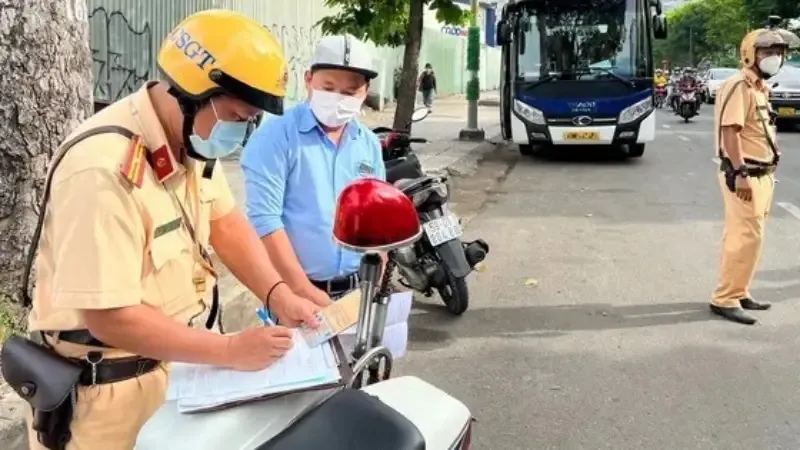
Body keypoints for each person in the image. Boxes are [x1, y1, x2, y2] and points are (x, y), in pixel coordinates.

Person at [19, 10, 321, 449]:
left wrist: (278, 293)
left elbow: (226, 223)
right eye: (238, 116)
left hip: (177, 373)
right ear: (194, 93)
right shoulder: (101, 171)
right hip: (105, 401)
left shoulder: (188, 143)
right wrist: (233, 351)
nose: (242, 132)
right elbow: (109, 317)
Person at [241, 34, 386, 307]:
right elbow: (266, 220)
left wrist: (377, 276)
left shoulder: (367, 143)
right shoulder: (276, 136)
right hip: (299, 297)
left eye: (349, 92)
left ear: (365, 92)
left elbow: (376, 214)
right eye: (328, 87)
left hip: (360, 290)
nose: (337, 99)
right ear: (308, 80)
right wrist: (303, 291)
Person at [710, 26, 794, 324]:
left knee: (751, 238)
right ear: (750, 54)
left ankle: (740, 290)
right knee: (745, 237)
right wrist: (741, 172)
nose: (775, 58)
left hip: (763, 174)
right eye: (767, 52)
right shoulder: (739, 86)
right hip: (745, 174)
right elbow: (730, 132)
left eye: (779, 53)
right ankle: (725, 298)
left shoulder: (759, 87)